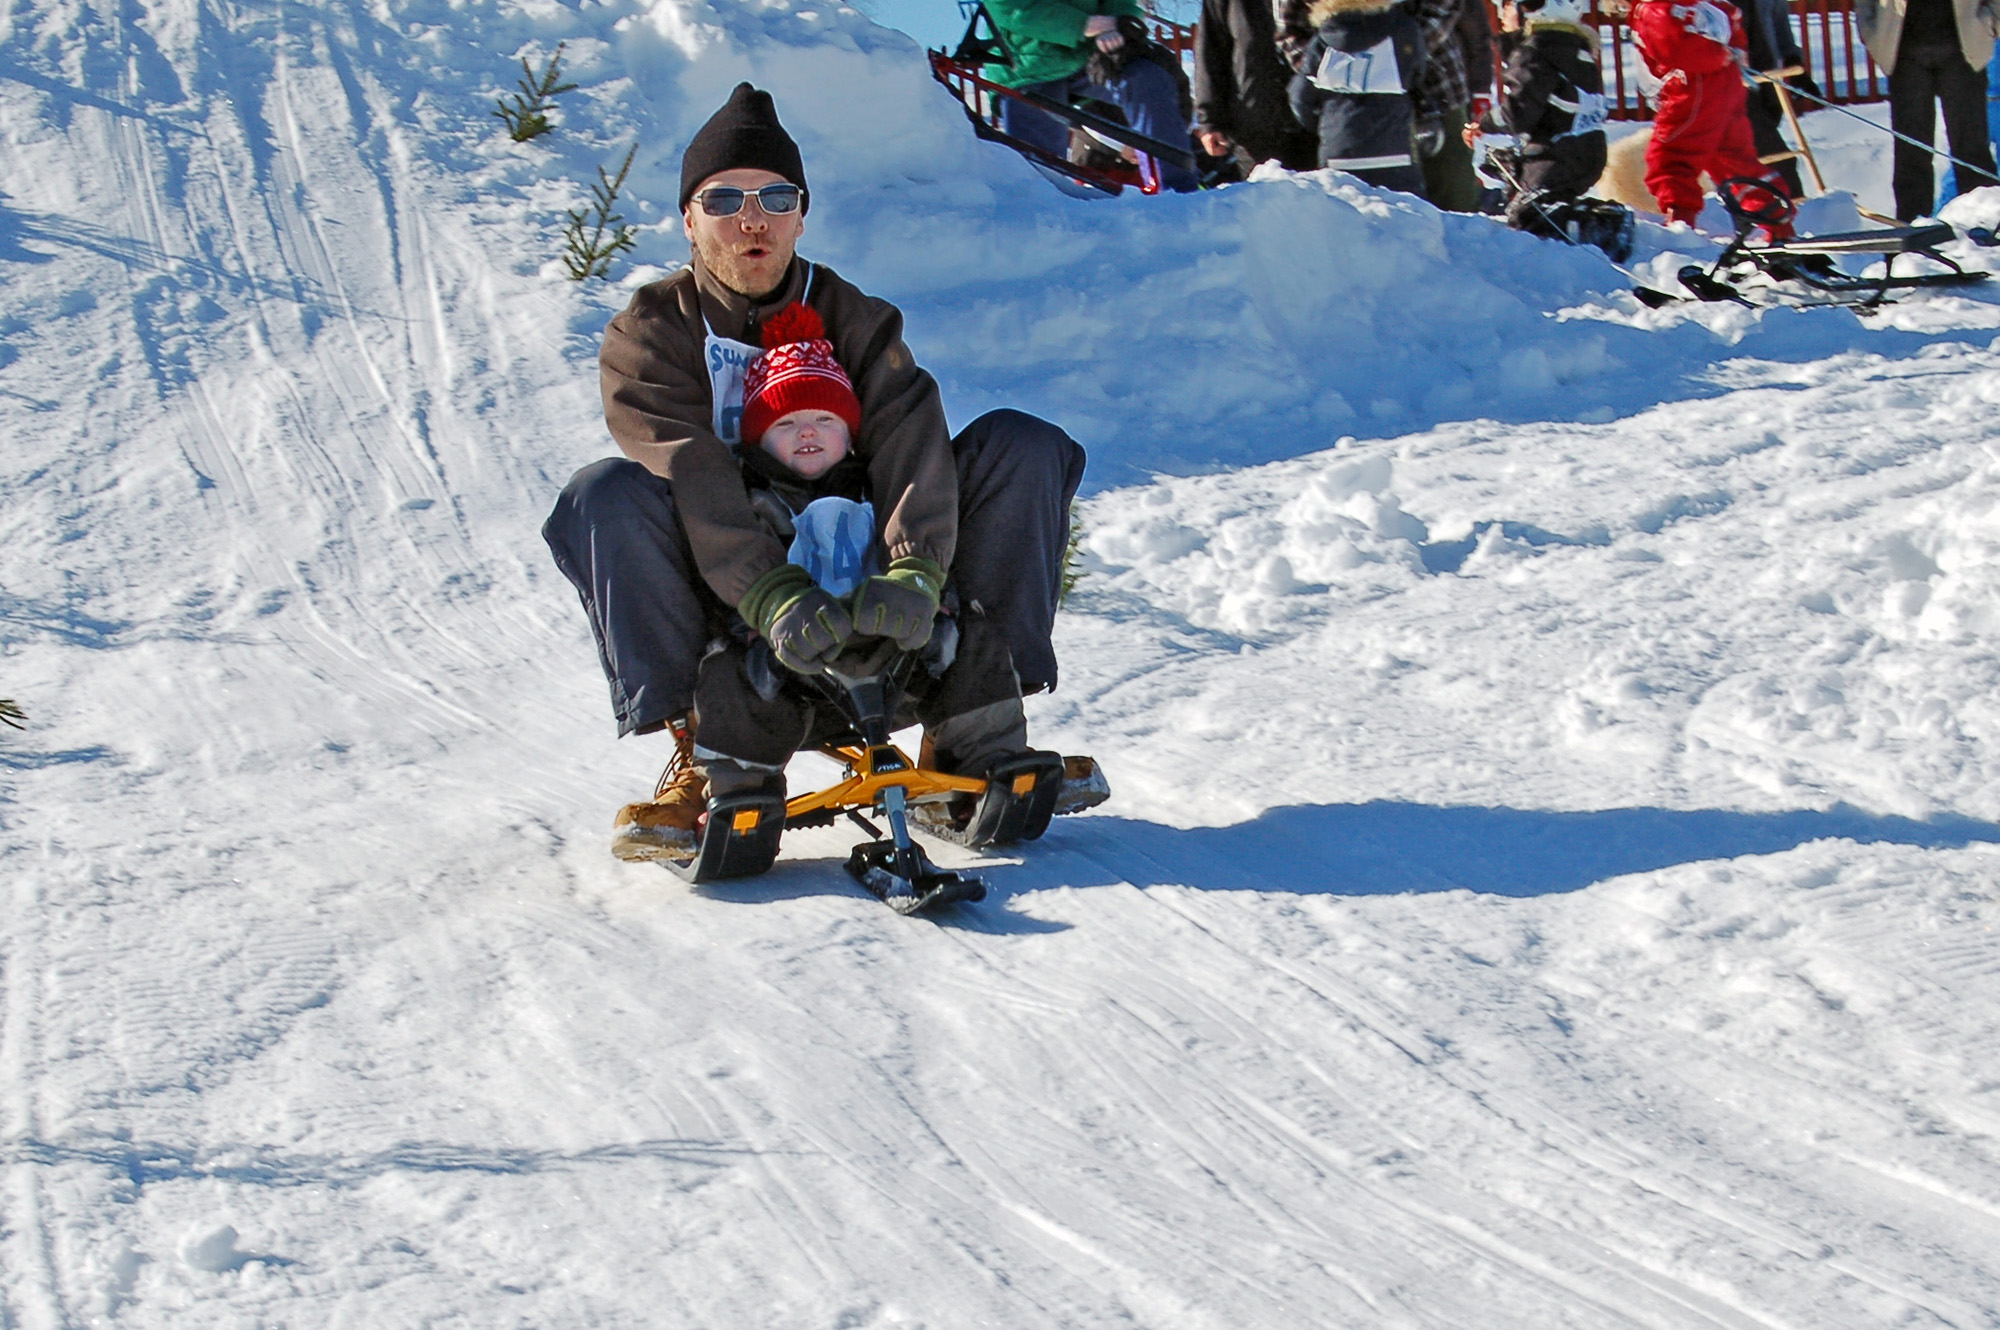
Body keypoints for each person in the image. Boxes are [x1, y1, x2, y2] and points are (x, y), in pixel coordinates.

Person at [542, 84, 1100, 863]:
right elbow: (691, 465)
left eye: (775, 197)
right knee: (605, 495)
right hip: (735, 599)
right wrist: (766, 589)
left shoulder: (855, 317)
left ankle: (972, 731)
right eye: (724, 198)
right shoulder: (652, 331)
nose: (751, 218)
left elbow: (912, 436)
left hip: (871, 588)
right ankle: (699, 757)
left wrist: (914, 571)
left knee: (1022, 444)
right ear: (688, 219)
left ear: (801, 214)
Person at [981, 0, 1201, 191]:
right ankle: (1042, 211)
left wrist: (1118, 22)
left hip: (1090, 50)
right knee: (1041, 166)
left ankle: (1176, 187)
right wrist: (1085, 25)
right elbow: (1009, 7)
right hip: (1026, 61)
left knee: (1148, 78)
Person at [1628, 0, 1790, 228]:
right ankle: (1776, 221)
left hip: (1691, 92)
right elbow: (1733, 20)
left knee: (1670, 158)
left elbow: (1674, 48)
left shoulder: (1654, 9)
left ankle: (1680, 221)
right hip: (1728, 86)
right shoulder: (1706, 4)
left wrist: (1716, 56)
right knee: (1734, 159)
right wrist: (1730, 55)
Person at [1463, 0, 1610, 234]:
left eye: (1510, 5)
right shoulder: (1572, 46)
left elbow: (1519, 112)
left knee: (1529, 218)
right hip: (1585, 149)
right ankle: (1599, 220)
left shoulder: (1535, 51)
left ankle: (1592, 229)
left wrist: (1484, 124)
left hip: (1556, 156)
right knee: (1547, 205)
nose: (1503, 13)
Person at [1857, 0, 2000, 219]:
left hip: (1963, 50)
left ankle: (1983, 229)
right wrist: (1870, 32)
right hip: (1904, 53)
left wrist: (1991, 23)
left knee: (1971, 151)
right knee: (1911, 154)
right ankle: (1911, 233)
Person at [1286, 0, 1430, 193]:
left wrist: (1323, 125)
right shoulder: (1404, 30)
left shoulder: (1323, 41)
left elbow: (1299, 98)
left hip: (1338, 151)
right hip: (1394, 150)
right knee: (1403, 215)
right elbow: (1417, 76)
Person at [1192, 0, 1320, 171]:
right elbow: (1210, 52)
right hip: (1255, 125)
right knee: (1263, 195)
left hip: (1316, 120)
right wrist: (1210, 121)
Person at [1739, 0, 1814, 196]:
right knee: (1776, 160)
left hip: (1766, 79)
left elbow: (1778, 16)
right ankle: (1789, 213)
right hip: (1725, 86)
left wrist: (1792, 58)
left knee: (1766, 156)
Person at [1938, 56, 2000, 203]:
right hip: (1978, 101)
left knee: (1965, 161)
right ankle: (1940, 216)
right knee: (1965, 161)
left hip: (1981, 100)